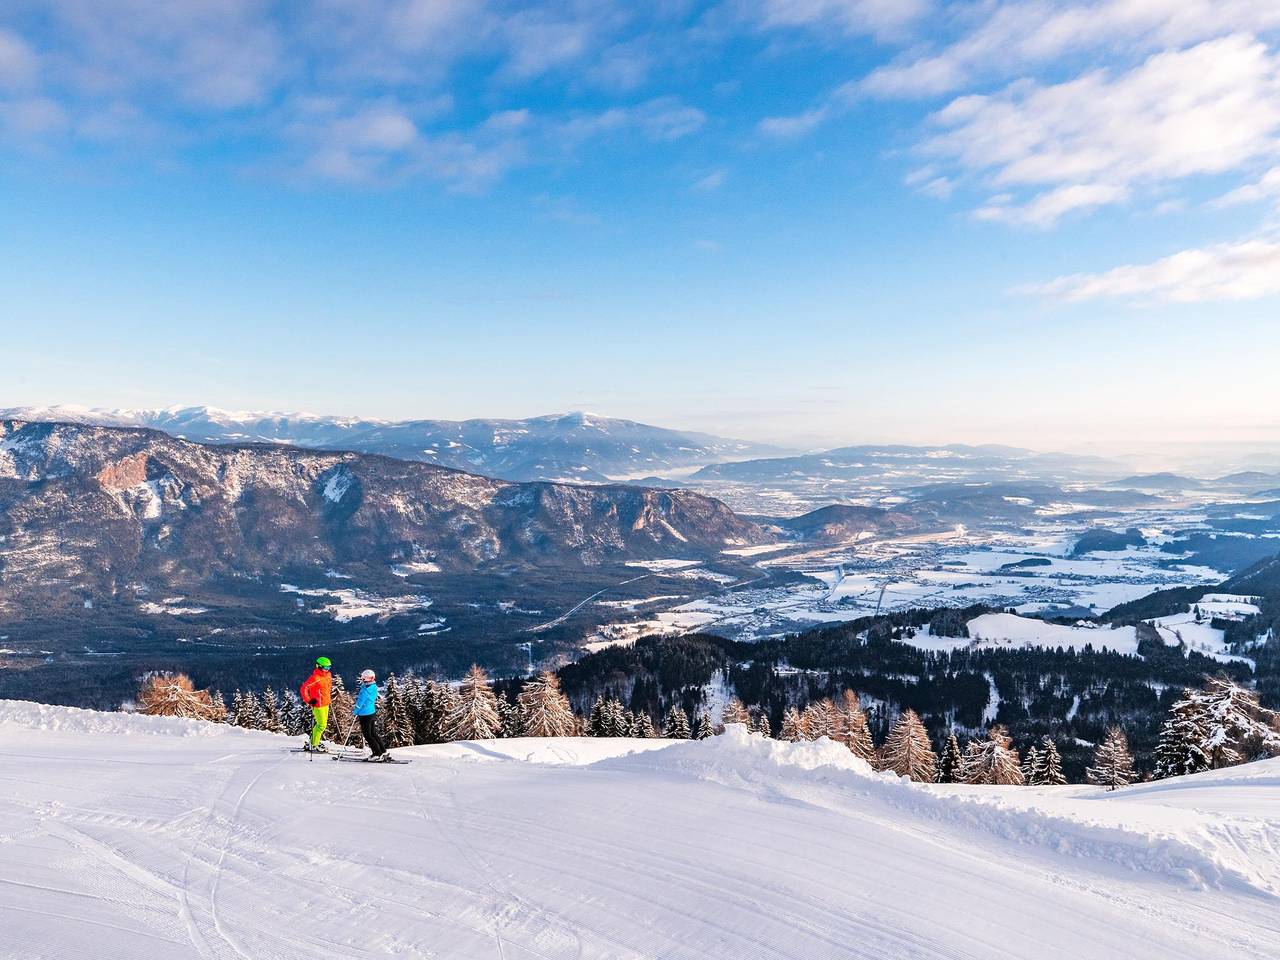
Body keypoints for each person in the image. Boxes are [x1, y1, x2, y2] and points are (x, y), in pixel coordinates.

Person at [353, 668, 390, 761]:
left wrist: (355, 711)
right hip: (371, 712)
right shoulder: (373, 687)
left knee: (368, 735)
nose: (363, 679)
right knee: (373, 733)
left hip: (364, 714)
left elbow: (360, 702)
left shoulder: (365, 690)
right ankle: (383, 751)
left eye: (364, 678)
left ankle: (377, 753)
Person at [299, 656, 333, 752]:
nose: (327, 669)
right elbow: (304, 688)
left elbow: (327, 688)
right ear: (319, 666)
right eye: (325, 667)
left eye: (329, 667)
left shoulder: (328, 675)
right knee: (321, 725)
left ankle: (313, 741)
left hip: (326, 703)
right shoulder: (315, 678)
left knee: (323, 725)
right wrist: (309, 700)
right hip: (318, 705)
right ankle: (313, 744)